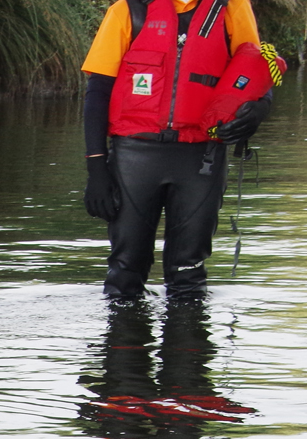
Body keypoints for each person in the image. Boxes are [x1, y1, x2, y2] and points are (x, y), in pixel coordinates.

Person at [81, 0, 275, 302]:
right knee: (124, 271)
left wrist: (259, 109)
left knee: (189, 273)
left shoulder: (232, 7)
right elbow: (98, 90)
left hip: (201, 158)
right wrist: (96, 167)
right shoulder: (127, 10)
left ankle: (186, 343)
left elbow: (255, 69)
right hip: (134, 157)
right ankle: (122, 345)